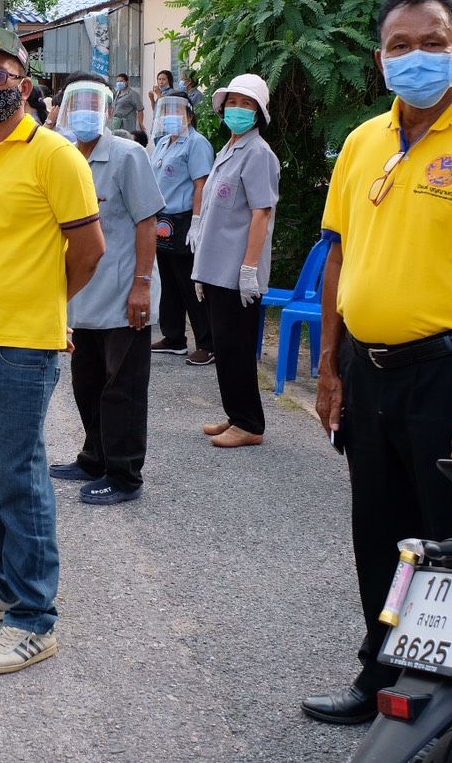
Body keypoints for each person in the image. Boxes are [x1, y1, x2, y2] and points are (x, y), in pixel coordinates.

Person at [301, 0, 452, 724]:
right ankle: (383, 680)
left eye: (431, 43)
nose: (416, 57)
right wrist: (330, 366)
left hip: (449, 372)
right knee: (378, 533)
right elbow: (339, 259)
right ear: (381, 60)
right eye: (400, 46)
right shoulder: (365, 144)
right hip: (369, 375)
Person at [0, 24, 105, 675]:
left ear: (25, 85)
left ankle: (34, 619)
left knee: (21, 478)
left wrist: (45, 305)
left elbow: (89, 251)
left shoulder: (57, 155)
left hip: (24, 345)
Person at [47, 74, 163, 505]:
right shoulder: (63, 157)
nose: (84, 113)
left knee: (123, 386)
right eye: (75, 104)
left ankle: (124, 473)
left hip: (123, 292)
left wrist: (142, 286)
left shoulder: (128, 155)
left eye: (92, 105)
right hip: (83, 294)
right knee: (88, 380)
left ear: (110, 113)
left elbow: (147, 221)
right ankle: (94, 457)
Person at [191, 75, 280, 449]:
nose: (238, 110)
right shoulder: (227, 149)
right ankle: (235, 413)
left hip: (236, 271)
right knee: (225, 348)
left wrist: (249, 269)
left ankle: (249, 423)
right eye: (233, 102)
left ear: (259, 113)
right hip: (215, 267)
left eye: (247, 104)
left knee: (237, 347)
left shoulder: (259, 154)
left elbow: (261, 214)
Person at [147, 92, 216, 364]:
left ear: (189, 115)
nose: (171, 117)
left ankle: (207, 343)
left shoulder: (196, 144)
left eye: (177, 112)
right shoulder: (164, 142)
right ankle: (174, 337)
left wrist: (197, 223)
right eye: (167, 112)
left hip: (185, 219)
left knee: (189, 282)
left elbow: (201, 184)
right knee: (168, 281)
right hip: (163, 220)